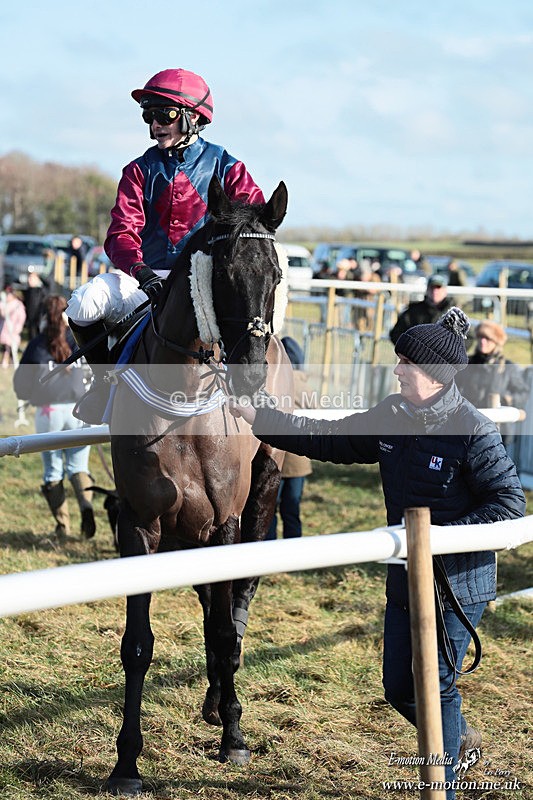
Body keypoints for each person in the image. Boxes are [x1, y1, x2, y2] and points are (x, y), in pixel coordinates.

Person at [230, 307, 525, 800]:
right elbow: (331, 437)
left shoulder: (473, 430)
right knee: (398, 688)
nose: (396, 369)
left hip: (457, 583)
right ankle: (460, 740)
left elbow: (509, 506)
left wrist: (442, 538)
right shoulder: (392, 412)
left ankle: (443, 788)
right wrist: (260, 418)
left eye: (405, 362)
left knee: (437, 687)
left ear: (432, 374)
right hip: (405, 574)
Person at [66, 68, 265, 424]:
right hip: (145, 279)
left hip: (203, 280)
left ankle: (258, 391)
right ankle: (103, 382)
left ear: (193, 117)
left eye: (165, 115)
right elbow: (120, 232)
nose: (155, 124)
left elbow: (254, 220)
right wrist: (141, 272)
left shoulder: (227, 167)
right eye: (149, 116)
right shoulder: (138, 170)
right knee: (83, 303)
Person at [13, 295, 96, 539]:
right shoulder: (81, 341)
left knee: (53, 471)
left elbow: (21, 382)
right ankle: (87, 507)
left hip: (49, 412)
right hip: (81, 411)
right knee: (79, 466)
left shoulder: (37, 344)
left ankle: (63, 528)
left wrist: (30, 396)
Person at [456, 320, 529, 455]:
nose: (483, 342)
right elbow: (455, 388)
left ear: (496, 342)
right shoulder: (468, 364)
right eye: (481, 337)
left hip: (498, 432)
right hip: (469, 428)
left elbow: (523, 392)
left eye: (488, 338)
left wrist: (508, 400)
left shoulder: (507, 367)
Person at [267, 337, 312, 540]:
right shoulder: (305, 387)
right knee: (292, 506)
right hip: (299, 461)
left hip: (275, 457)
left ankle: (268, 545)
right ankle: (294, 545)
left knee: (270, 507)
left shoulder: (275, 382)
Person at [389, 274, 453, 345]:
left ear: (445, 291)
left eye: (438, 287)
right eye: (432, 288)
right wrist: (411, 349)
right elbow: (396, 334)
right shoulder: (413, 311)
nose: (435, 291)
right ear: (427, 290)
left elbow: (466, 337)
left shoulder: (453, 314)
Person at [0, 286, 26, 368]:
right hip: (5, 328)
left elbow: (21, 317)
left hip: (13, 329)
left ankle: (11, 360)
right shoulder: (4, 304)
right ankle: (5, 359)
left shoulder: (18, 305)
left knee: (12, 346)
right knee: (6, 346)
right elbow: (3, 314)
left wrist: (18, 328)